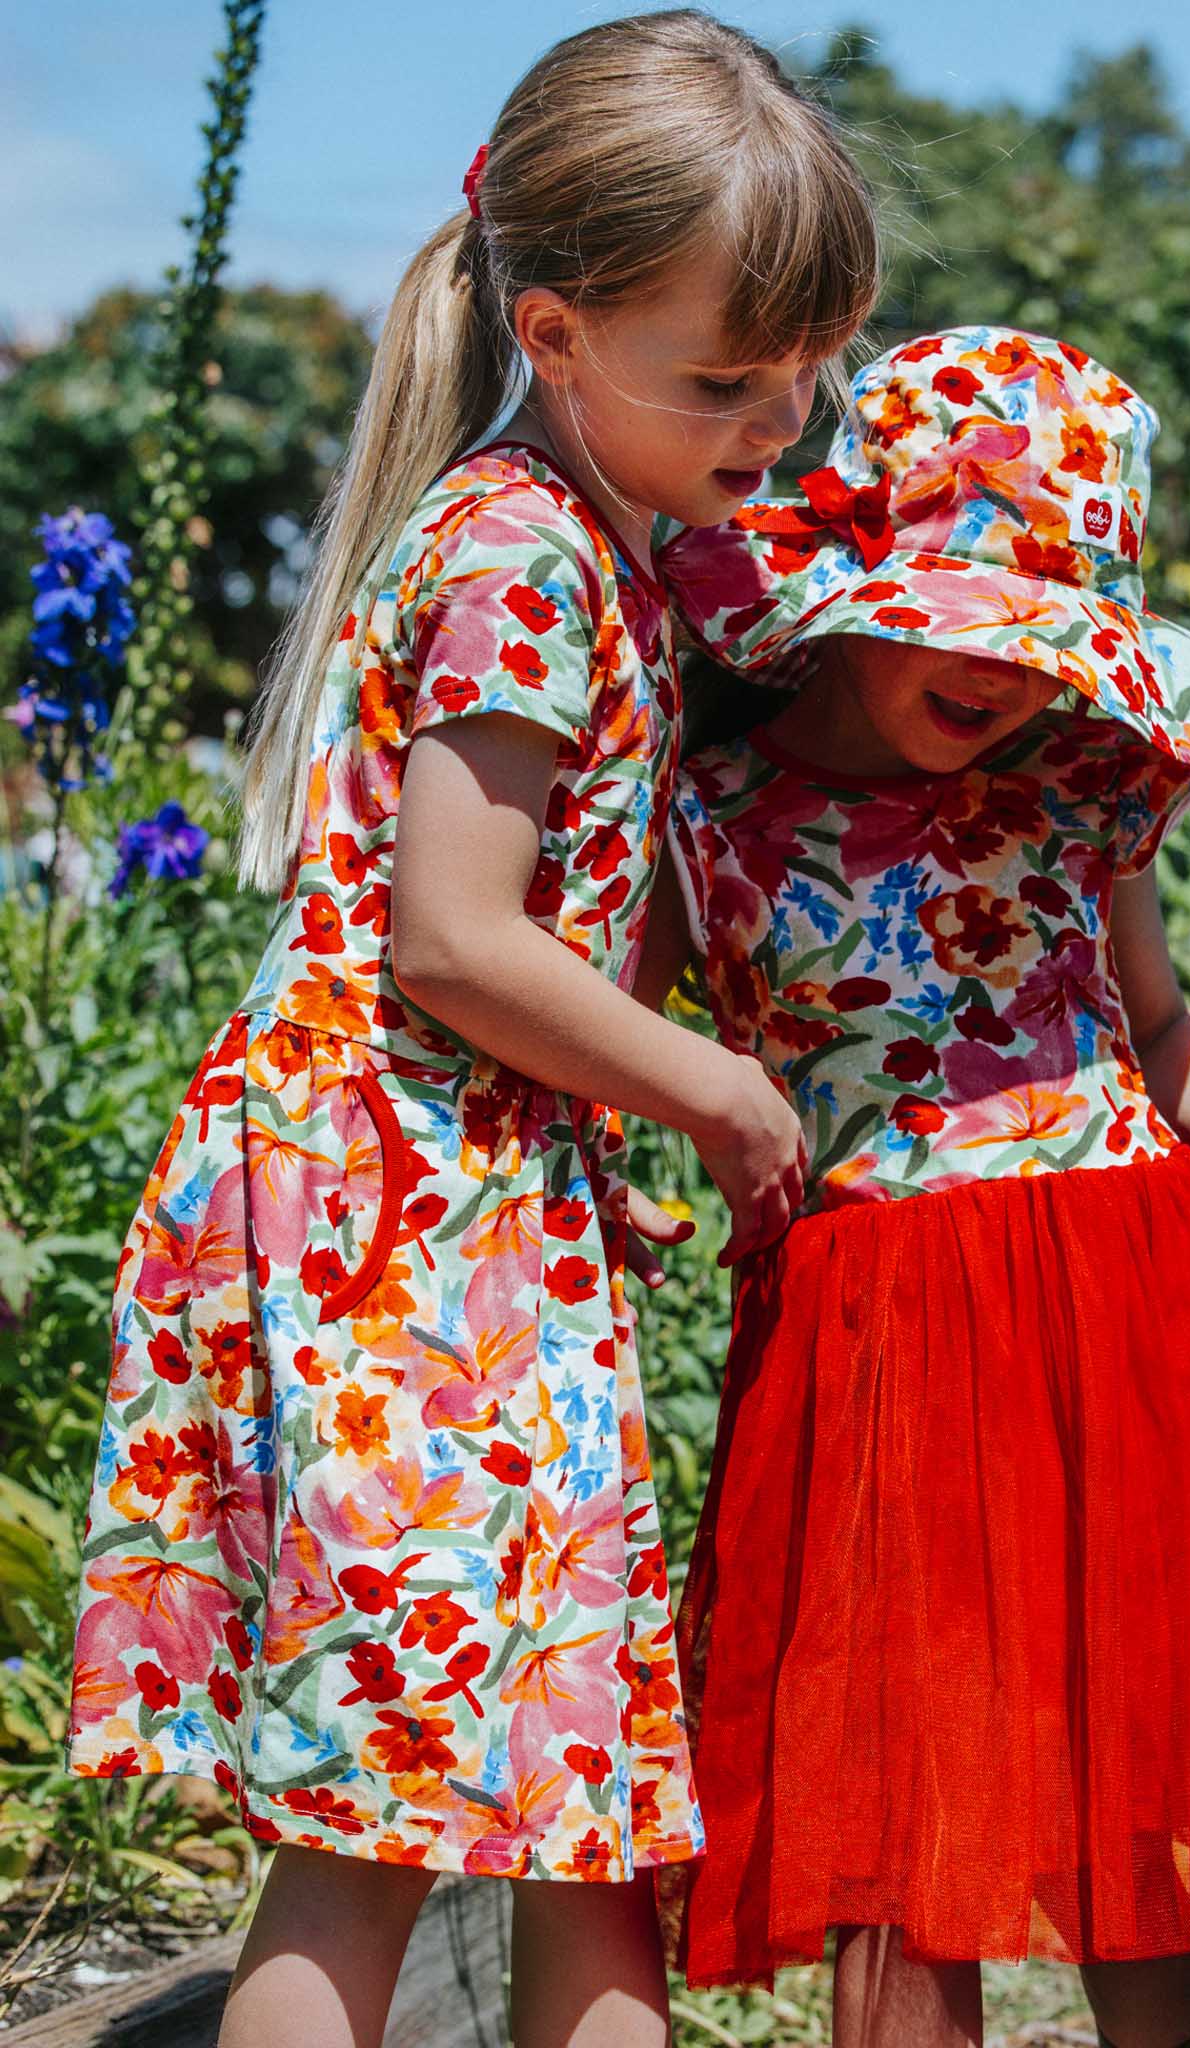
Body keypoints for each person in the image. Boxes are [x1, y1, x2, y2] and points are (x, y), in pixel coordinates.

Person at [66, 16, 878, 2048]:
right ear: (558, 329)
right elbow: (451, 934)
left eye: (805, 371)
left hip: (468, 1231)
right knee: (382, 1823)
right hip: (399, 1235)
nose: (777, 419)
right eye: (726, 380)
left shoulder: (594, 545)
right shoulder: (520, 554)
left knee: (578, 1798)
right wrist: (708, 1088)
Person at [644, 327, 1190, 2048]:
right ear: (855, 591)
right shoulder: (707, 810)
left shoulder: (1076, 789)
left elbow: (1154, 1029)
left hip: (1116, 1291)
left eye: (1037, 646)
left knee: (1124, 1757)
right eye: (956, 626)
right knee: (894, 1775)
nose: (996, 676)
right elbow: (612, 1030)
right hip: (874, 1335)